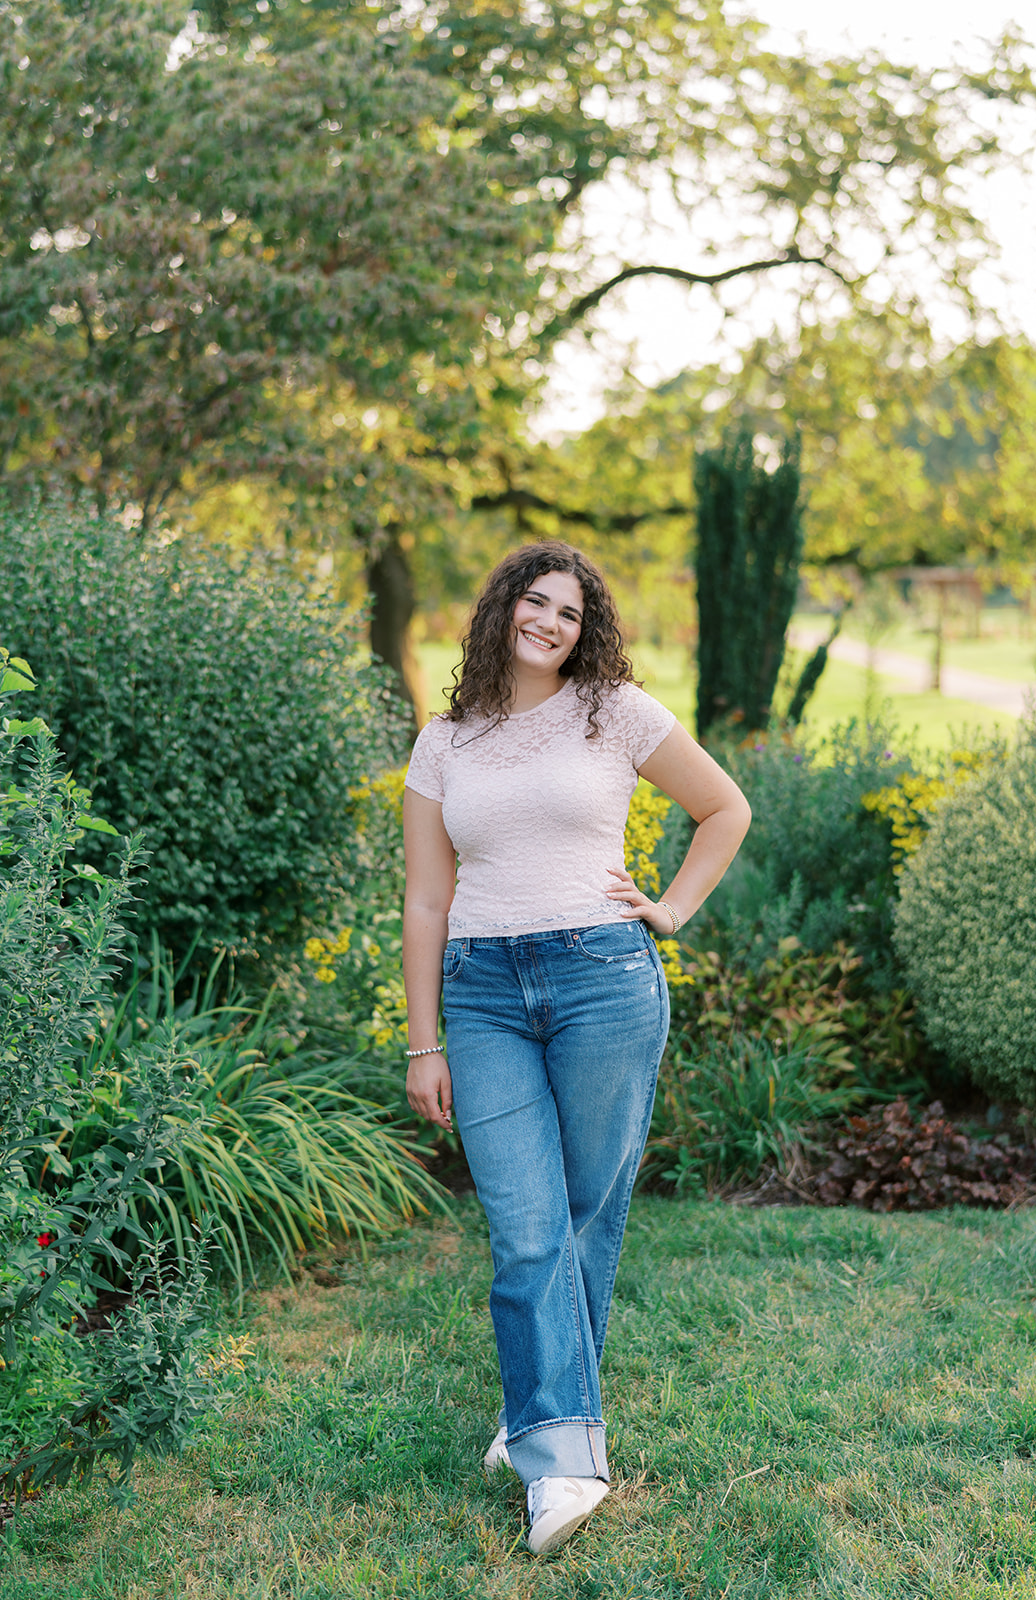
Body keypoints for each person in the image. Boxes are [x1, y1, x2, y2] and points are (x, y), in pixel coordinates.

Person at [402, 541, 750, 1556]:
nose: (548, 621)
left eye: (568, 610)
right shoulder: (444, 740)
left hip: (603, 976)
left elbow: (723, 806)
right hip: (481, 992)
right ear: (501, 605)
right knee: (523, 1228)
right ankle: (562, 1463)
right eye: (533, 600)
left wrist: (673, 906)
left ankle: (535, 1425)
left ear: (583, 625)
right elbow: (425, 897)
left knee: (586, 1216)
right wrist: (423, 1041)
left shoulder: (616, 711)